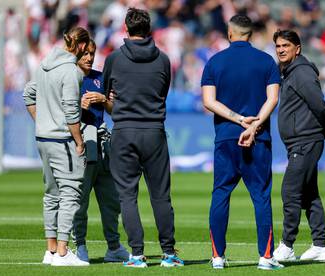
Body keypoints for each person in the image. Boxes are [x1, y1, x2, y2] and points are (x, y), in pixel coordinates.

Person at [103, 7, 184, 268]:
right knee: (161, 196)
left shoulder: (114, 59)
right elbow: (163, 92)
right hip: (154, 131)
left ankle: (136, 255)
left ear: (126, 28)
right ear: (149, 29)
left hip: (124, 131)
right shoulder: (162, 59)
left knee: (127, 196)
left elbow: (107, 95)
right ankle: (168, 254)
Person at [201, 14, 283, 270]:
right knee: (261, 196)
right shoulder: (266, 61)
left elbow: (209, 102)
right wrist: (254, 125)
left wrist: (237, 120)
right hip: (259, 138)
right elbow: (273, 99)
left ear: (230, 33)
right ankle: (265, 257)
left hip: (226, 137)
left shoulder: (214, 62)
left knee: (221, 194)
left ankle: (217, 257)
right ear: (250, 34)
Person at [23, 26, 90, 266]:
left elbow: (27, 94)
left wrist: (42, 122)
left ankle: (50, 250)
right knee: (70, 192)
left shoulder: (44, 64)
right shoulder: (71, 71)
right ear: (81, 46)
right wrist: (79, 141)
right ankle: (63, 252)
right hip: (62, 140)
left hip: (43, 139)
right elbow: (72, 111)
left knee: (51, 194)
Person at [272, 29, 325, 261]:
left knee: (290, 191)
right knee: (309, 194)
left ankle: (287, 246)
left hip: (306, 141)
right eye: (278, 46)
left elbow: (320, 105)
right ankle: (320, 246)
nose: (281, 49)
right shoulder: (289, 72)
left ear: (297, 49)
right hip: (299, 142)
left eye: (286, 46)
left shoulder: (301, 72)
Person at [72, 39, 129, 263]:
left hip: (104, 143)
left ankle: (113, 247)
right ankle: (80, 246)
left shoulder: (100, 78)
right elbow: (57, 108)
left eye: (92, 53)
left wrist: (104, 99)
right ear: (75, 53)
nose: (89, 57)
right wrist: (78, 105)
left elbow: (116, 111)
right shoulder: (68, 78)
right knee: (80, 200)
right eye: (84, 53)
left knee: (111, 199)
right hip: (82, 146)